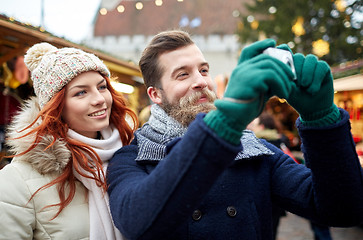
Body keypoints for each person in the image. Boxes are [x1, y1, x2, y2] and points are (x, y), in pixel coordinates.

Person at [107, 30, 363, 240]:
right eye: (183, 74)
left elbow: (341, 211)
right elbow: (138, 222)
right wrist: (227, 120)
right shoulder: (131, 157)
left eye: (204, 70)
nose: (201, 82)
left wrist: (321, 119)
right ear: (155, 95)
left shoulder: (254, 150)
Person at [0, 42, 137, 239]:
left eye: (102, 87)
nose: (99, 99)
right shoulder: (18, 180)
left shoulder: (131, 156)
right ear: (56, 107)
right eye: (81, 92)